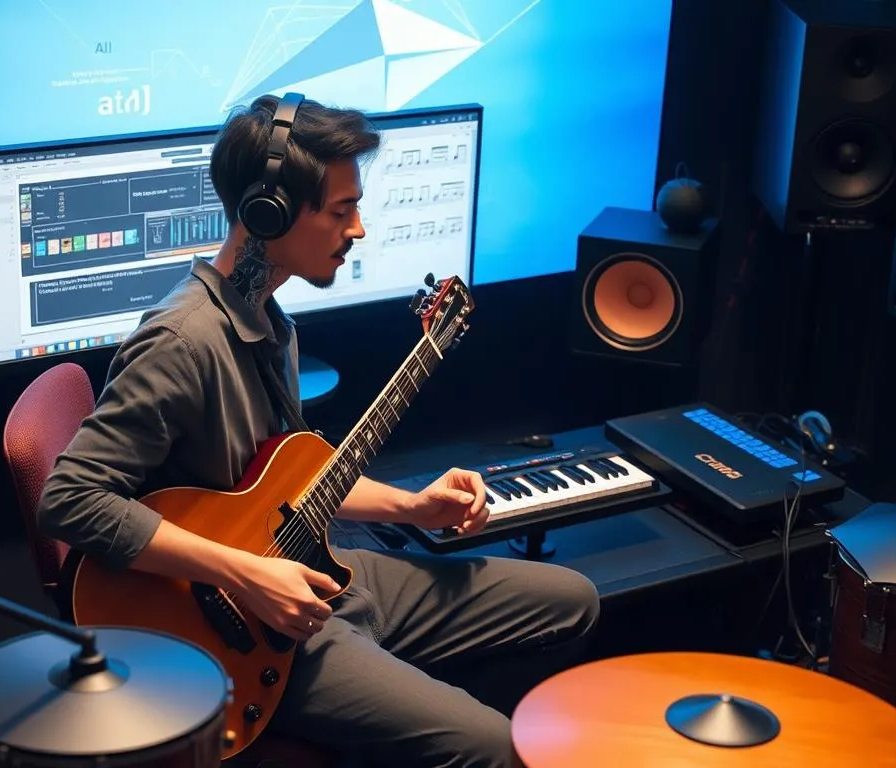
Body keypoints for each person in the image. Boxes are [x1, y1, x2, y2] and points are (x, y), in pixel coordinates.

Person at [37, 93, 600, 767]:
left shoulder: (270, 323)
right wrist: (245, 575)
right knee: (492, 747)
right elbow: (68, 498)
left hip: (314, 578)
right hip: (241, 632)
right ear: (268, 214)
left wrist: (413, 505)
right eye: (341, 210)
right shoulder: (181, 344)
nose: (357, 228)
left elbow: (288, 480)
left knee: (574, 600)